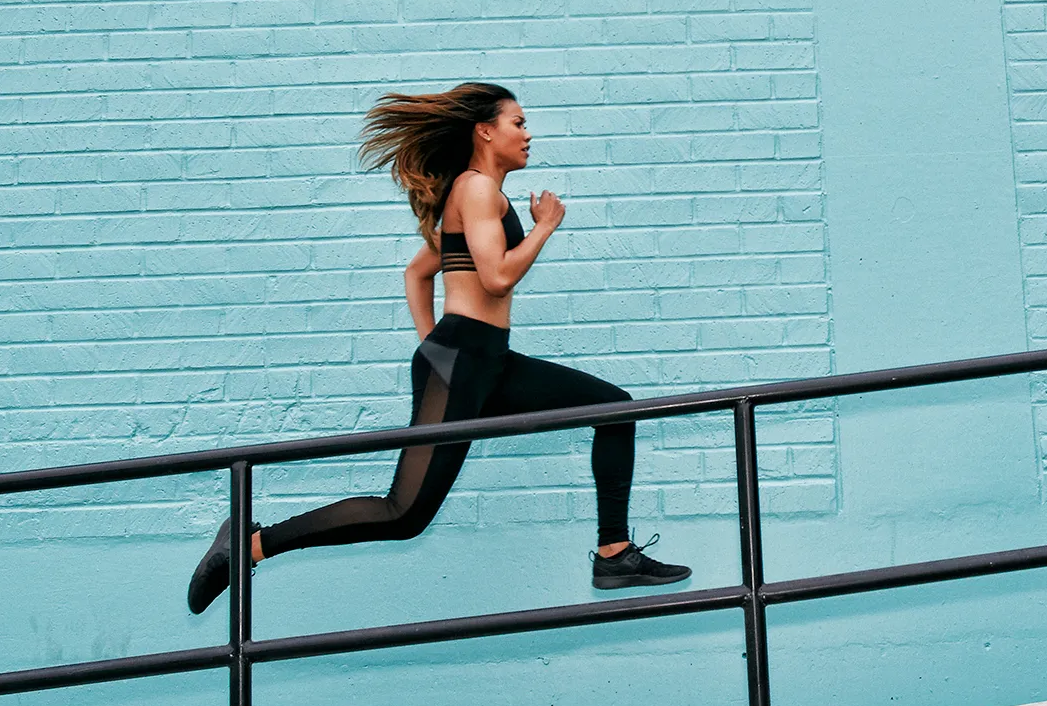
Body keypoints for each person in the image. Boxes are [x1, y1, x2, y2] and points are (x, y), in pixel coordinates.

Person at [187, 82, 690, 614]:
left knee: (614, 409)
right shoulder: (474, 190)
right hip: (463, 359)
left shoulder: (478, 196)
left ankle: (614, 552)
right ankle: (249, 547)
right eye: (517, 122)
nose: (527, 133)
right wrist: (543, 229)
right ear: (485, 130)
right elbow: (495, 278)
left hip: (482, 360)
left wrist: (434, 344)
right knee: (403, 514)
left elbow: (419, 271)